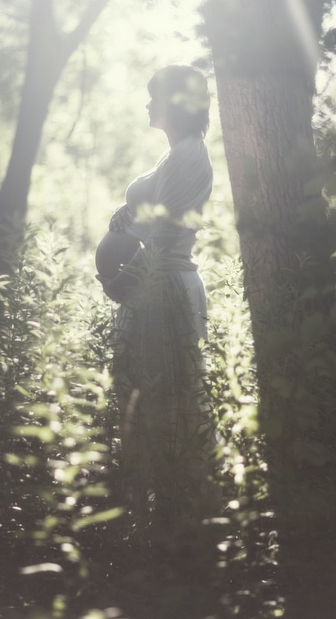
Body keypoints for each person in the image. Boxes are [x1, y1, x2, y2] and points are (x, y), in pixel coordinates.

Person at [95, 65, 215, 524]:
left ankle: (175, 519)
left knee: (169, 404)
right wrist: (121, 221)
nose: (147, 105)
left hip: (164, 292)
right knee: (145, 400)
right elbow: (147, 217)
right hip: (148, 293)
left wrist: (121, 285)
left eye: (154, 97)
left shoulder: (189, 158)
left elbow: (165, 240)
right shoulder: (174, 157)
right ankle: (151, 517)